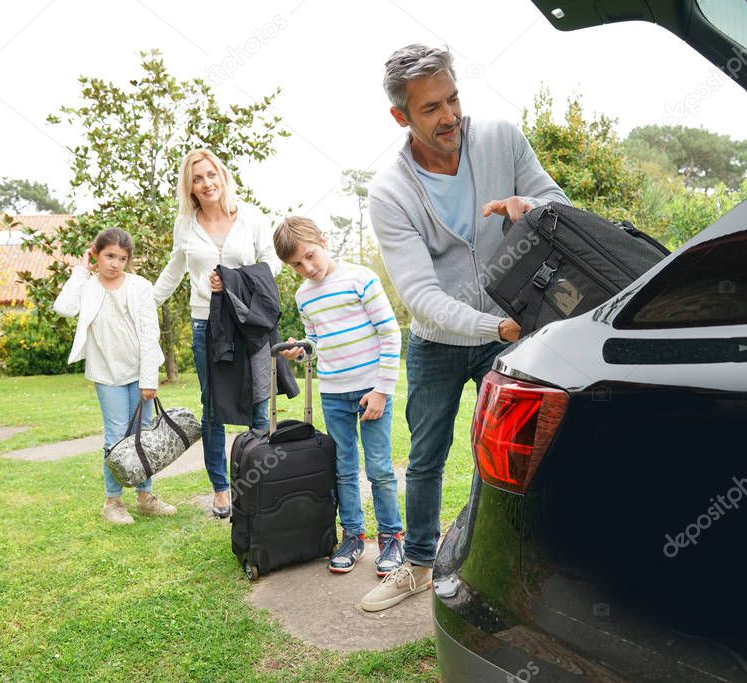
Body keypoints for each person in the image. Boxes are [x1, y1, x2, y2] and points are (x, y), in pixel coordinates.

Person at [361, 44, 569, 611]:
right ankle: (418, 566)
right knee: (426, 456)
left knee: (511, 450)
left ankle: (508, 555)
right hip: (441, 342)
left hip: (511, 325)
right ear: (401, 117)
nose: (449, 116)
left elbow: (559, 203)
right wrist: (495, 328)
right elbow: (422, 299)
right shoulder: (389, 193)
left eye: (452, 98)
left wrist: (528, 207)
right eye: (430, 108)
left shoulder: (501, 137)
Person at [273, 216, 405, 577]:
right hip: (333, 393)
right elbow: (316, 342)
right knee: (344, 469)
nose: (308, 268)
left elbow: (390, 335)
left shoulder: (361, 279)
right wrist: (301, 351)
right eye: (297, 265)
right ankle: (353, 536)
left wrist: (381, 390)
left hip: (370, 392)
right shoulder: (304, 296)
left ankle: (392, 538)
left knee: (378, 468)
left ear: (324, 241)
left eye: (310, 256)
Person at [154, 149, 281, 519]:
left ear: (222, 176)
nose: (207, 183)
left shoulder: (250, 216)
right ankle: (222, 490)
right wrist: (140, 303)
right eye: (198, 178)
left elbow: (271, 260)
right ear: (189, 187)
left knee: (259, 403)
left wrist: (235, 280)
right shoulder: (185, 224)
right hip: (205, 324)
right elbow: (174, 271)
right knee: (213, 407)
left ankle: (256, 483)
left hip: (249, 322)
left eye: (212, 175)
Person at [54, 228, 176, 525]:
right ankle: (112, 501)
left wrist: (149, 379)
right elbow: (63, 307)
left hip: (139, 372)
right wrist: (81, 272)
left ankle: (145, 496)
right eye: (109, 256)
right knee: (116, 436)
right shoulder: (87, 286)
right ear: (95, 254)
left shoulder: (140, 287)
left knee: (143, 433)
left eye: (122, 258)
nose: (115, 263)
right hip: (106, 373)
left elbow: (150, 334)